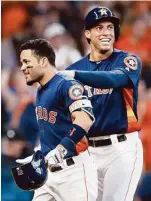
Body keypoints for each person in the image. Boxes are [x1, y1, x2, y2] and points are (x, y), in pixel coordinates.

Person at [62, 6, 143, 201]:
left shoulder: (128, 60)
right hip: (88, 151)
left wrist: (74, 76)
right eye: (99, 28)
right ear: (87, 34)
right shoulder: (75, 68)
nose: (106, 32)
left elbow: (115, 79)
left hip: (121, 148)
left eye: (110, 27)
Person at [17, 38, 98, 201]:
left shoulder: (67, 85)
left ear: (43, 61)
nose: (22, 67)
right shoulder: (40, 90)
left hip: (74, 171)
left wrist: (61, 150)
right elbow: (54, 128)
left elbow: (85, 119)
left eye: (26, 62)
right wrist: (40, 152)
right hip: (49, 174)